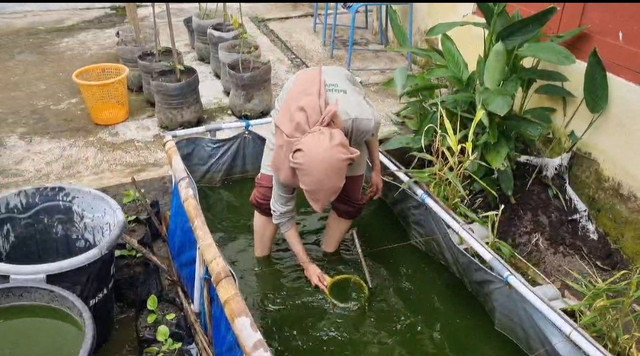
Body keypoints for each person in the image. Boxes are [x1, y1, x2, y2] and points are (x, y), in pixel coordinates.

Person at [249, 65, 383, 293]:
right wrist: (306, 264)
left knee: (350, 201)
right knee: (266, 197)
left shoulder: (361, 119)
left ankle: (329, 254)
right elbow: (281, 210)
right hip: (298, 97)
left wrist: (376, 170)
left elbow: (370, 133)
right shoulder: (288, 139)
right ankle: (262, 263)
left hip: (344, 102)